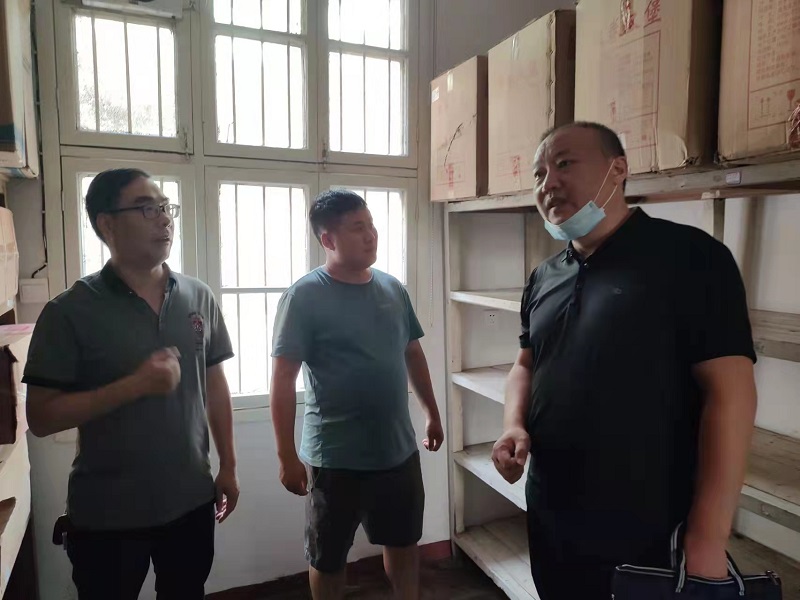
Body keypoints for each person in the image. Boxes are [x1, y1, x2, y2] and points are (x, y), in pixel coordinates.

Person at [491, 122, 758, 600]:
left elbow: (732, 394)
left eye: (564, 164)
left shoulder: (691, 257)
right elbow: (526, 364)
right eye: (538, 174)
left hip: (647, 525)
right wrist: (513, 425)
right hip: (552, 510)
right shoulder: (544, 276)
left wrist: (708, 536)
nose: (549, 183)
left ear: (617, 170)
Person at [24, 169, 239, 600]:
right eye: (147, 208)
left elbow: (214, 386)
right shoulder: (69, 311)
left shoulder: (198, 296)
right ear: (107, 224)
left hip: (190, 502)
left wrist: (229, 467)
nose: (164, 218)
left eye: (165, 207)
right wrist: (133, 385)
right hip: (107, 516)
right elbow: (41, 417)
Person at [270, 189, 444, 600]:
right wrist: (286, 456)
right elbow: (283, 379)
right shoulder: (303, 296)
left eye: (372, 225)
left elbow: (413, 353)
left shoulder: (392, 288)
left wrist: (432, 413)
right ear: (328, 239)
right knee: (328, 557)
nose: (371, 235)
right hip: (334, 458)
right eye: (357, 228)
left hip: (396, 452)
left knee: (403, 543)